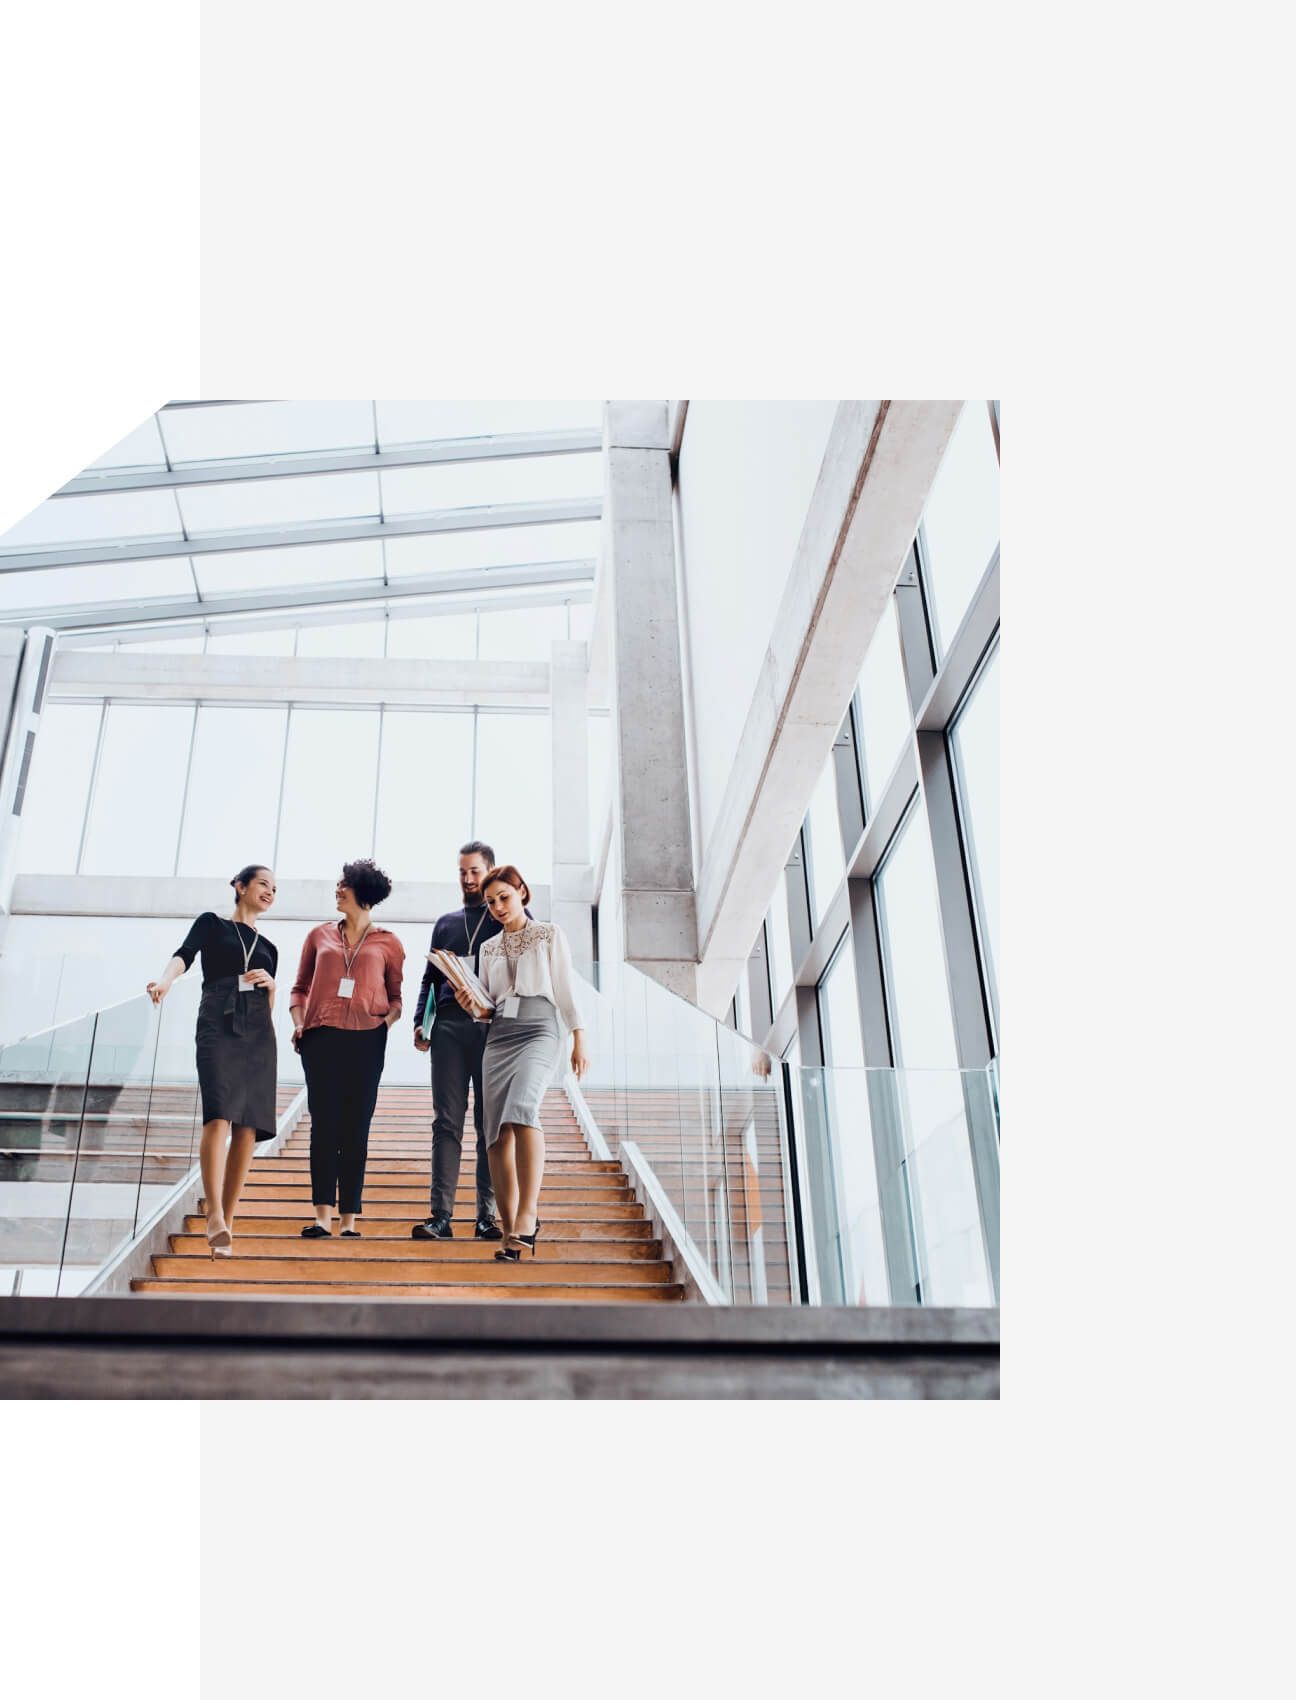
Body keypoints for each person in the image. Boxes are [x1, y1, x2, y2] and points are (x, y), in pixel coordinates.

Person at [456, 864, 589, 1264]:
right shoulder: (488, 948)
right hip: (498, 1035)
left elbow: (564, 987)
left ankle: (529, 1215)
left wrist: (579, 1035)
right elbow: (488, 1002)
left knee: (523, 1110)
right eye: (491, 901)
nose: (498, 906)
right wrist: (471, 1007)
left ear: (523, 893)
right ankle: (511, 1227)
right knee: (494, 1132)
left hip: (540, 1028)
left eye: (505, 897)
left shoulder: (548, 933)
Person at [146, 864, 279, 1257]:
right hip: (218, 1018)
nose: (270, 891)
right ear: (239, 887)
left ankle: (229, 1221)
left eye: (275, 888)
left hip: (258, 1031)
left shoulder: (270, 947)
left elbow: (269, 1005)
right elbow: (183, 955)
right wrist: (165, 981)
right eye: (262, 884)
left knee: (248, 1126)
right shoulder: (212, 924)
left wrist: (272, 986)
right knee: (219, 1114)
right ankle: (214, 1214)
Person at [410, 839, 532, 1242]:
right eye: (462, 872)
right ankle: (440, 1216)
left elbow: (525, 972)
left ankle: (487, 1217)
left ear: (491, 871)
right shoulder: (445, 923)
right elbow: (430, 978)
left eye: (474, 871)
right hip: (446, 1028)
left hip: (493, 1030)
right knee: (446, 1122)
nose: (467, 879)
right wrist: (419, 1023)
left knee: (490, 1125)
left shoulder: (509, 915)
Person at [289, 859, 404, 1239]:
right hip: (320, 1039)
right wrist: (299, 1023)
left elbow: (396, 998)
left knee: (356, 1129)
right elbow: (299, 987)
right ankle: (322, 1216)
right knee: (324, 1126)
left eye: (344, 885)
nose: (337, 890)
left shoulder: (388, 942)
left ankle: (349, 1219)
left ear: (363, 892)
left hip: (366, 1040)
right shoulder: (318, 935)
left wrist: (381, 1025)